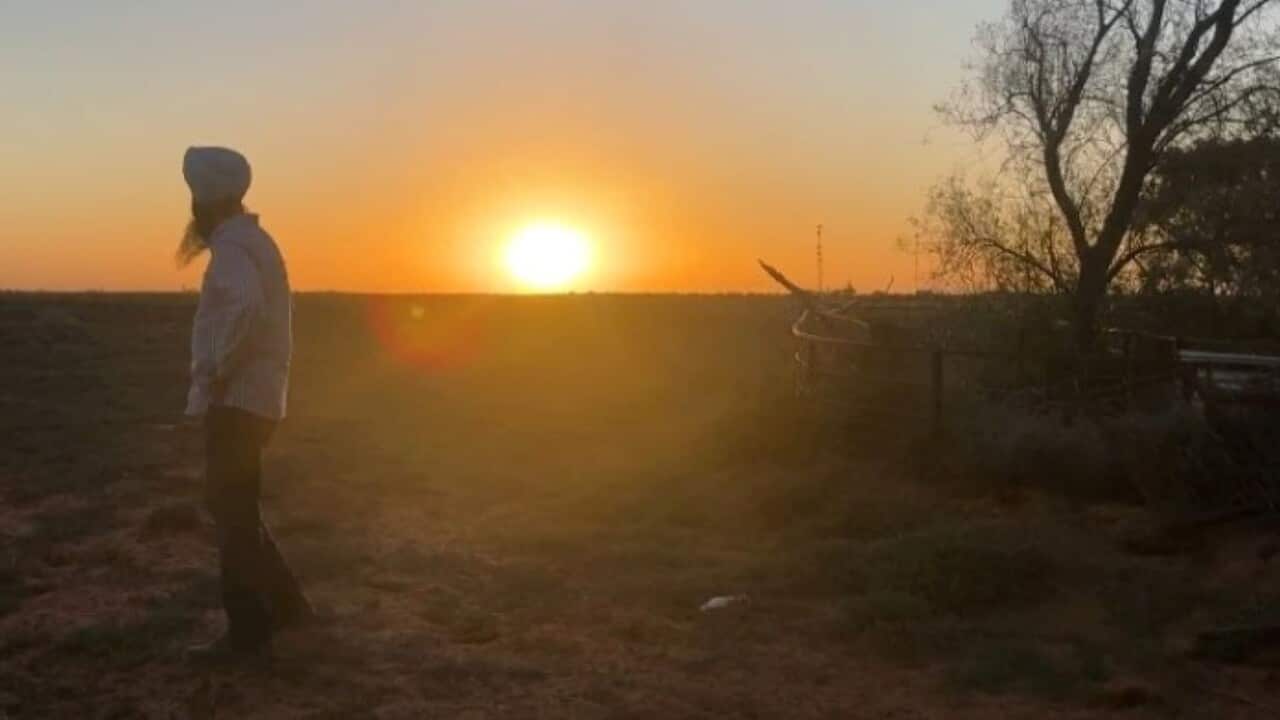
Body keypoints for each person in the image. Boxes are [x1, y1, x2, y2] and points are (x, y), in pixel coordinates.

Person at [178, 146, 314, 663]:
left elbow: (244, 306)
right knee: (236, 507)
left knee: (230, 513)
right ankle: (290, 609)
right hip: (255, 398)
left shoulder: (234, 249)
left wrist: (215, 370)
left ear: (204, 202)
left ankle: (248, 635)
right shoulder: (253, 241)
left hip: (236, 399)